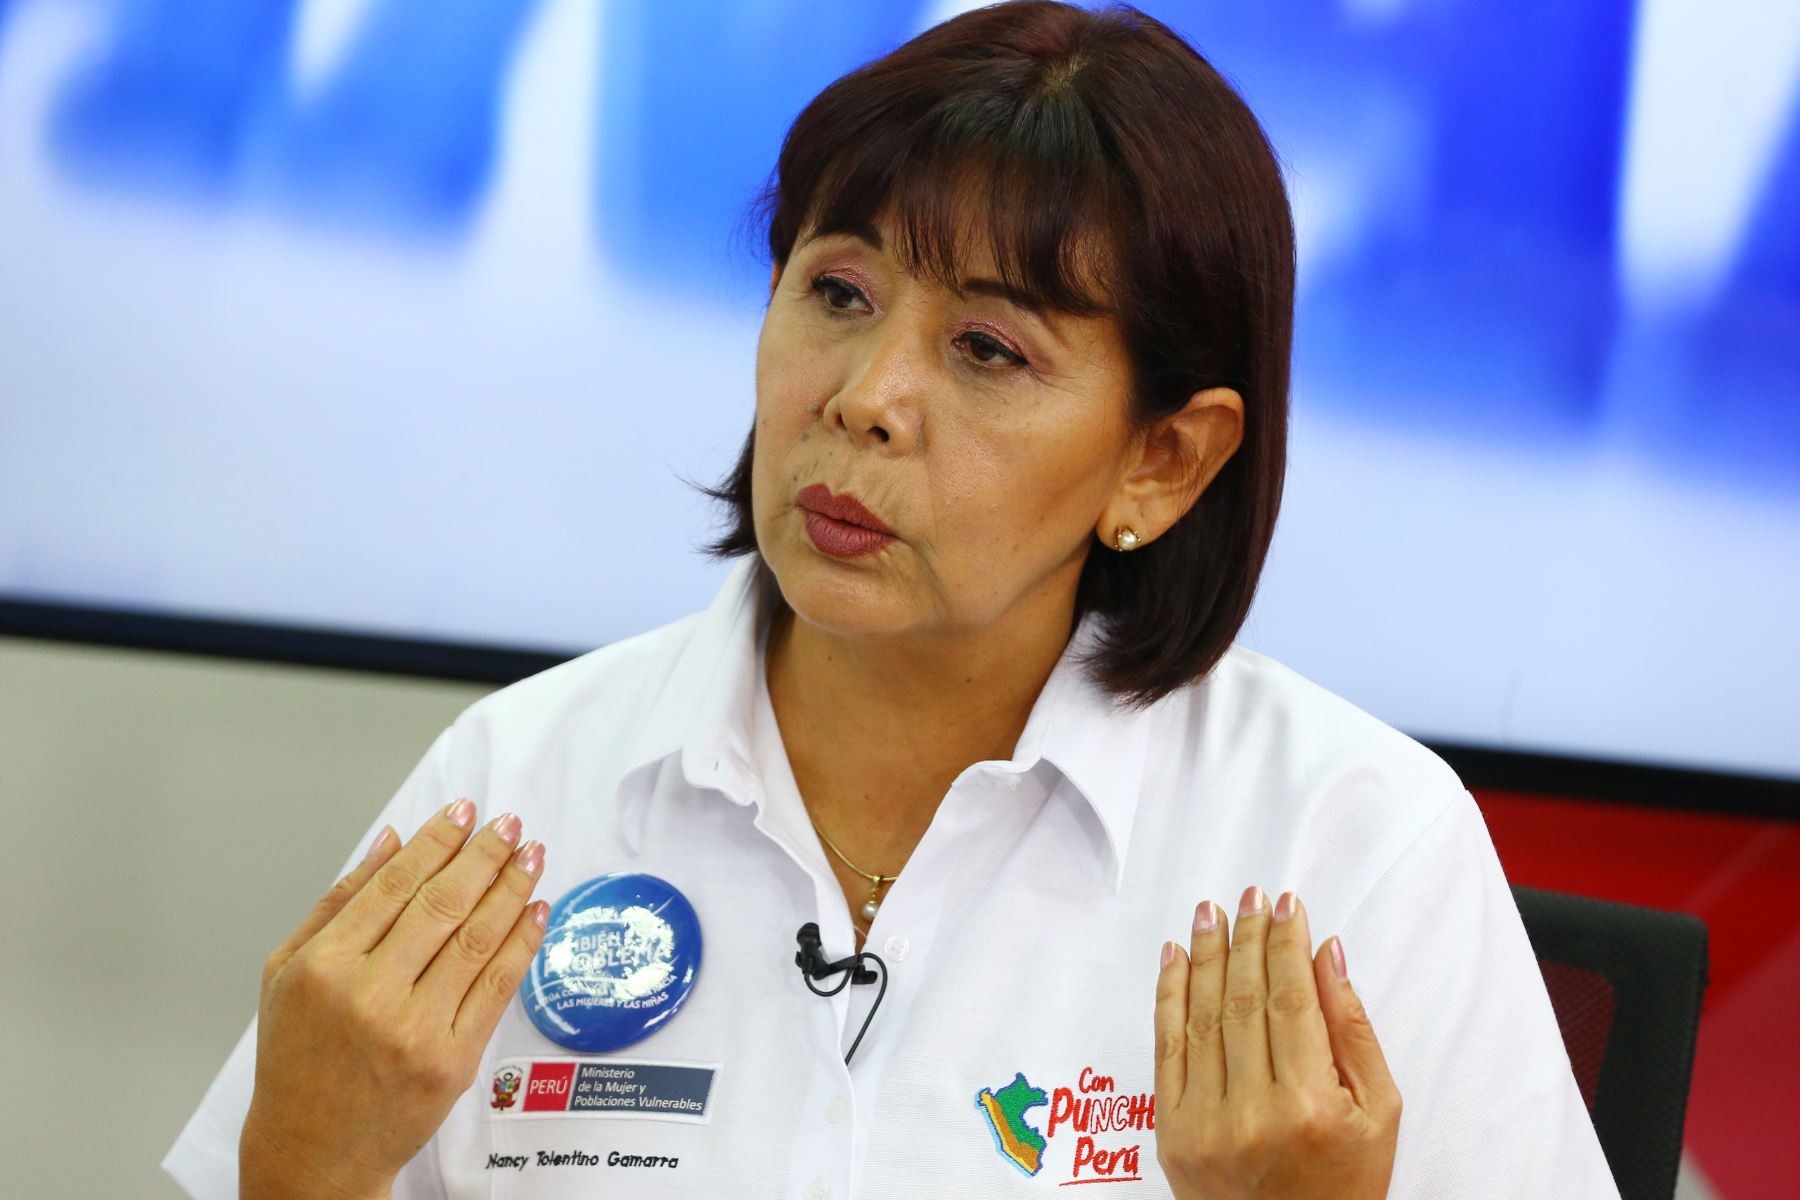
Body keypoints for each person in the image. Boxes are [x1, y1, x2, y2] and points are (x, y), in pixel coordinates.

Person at [164, 3, 1621, 1197]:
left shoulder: (1344, 845)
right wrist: (300, 1174)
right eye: (838, 293)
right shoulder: (523, 780)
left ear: (1165, 461)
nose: (864, 401)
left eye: (988, 349)